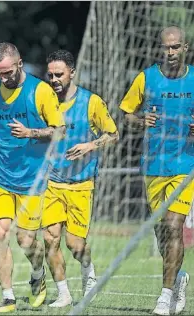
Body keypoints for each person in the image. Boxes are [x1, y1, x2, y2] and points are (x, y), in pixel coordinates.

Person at [0, 42, 66, 313]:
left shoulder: (40, 91)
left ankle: (38, 273)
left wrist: (30, 133)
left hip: (32, 180)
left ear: (19, 63)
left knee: (26, 240)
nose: (2, 78)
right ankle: (8, 298)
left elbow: (59, 131)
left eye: (7, 72)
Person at [119, 26, 193, 315]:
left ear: (185, 48)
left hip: (186, 165)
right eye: (166, 48)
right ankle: (178, 279)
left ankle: (164, 296)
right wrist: (141, 120)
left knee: (175, 225)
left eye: (176, 47)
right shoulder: (146, 78)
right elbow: (126, 114)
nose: (171, 52)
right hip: (153, 166)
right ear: (159, 49)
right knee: (163, 234)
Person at [41, 49, 119, 308]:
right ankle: (63, 293)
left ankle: (88, 271)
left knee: (75, 244)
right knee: (50, 239)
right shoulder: (43, 100)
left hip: (81, 185)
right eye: (50, 74)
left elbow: (113, 134)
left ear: (72, 73)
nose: (54, 79)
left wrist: (90, 146)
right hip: (51, 183)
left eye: (59, 74)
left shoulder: (91, 102)